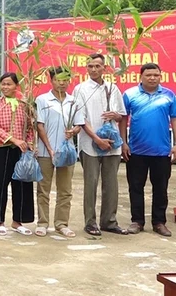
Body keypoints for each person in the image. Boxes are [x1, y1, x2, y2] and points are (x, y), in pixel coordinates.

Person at [121, 63, 176, 237]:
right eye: (148, 75)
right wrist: (123, 142)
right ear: (141, 76)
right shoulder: (130, 94)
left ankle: (159, 222)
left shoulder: (168, 95)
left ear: (160, 76)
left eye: (156, 75)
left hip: (161, 152)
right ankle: (137, 221)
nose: (152, 78)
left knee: (161, 188)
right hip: (136, 151)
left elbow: (175, 119)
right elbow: (123, 119)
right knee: (135, 187)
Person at [75, 53, 128, 236]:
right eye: (90, 66)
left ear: (105, 68)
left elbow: (122, 115)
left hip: (112, 144)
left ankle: (109, 221)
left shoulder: (113, 88)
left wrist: (116, 116)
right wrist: (96, 139)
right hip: (90, 144)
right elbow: (80, 119)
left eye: (97, 66)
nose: (94, 69)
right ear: (86, 68)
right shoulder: (80, 89)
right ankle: (90, 222)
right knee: (91, 183)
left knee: (111, 184)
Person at [35, 66, 85, 238]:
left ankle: (62, 223)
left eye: (65, 80)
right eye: (58, 79)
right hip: (45, 152)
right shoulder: (42, 100)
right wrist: (49, 149)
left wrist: (74, 131)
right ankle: (42, 223)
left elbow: (79, 124)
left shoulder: (74, 102)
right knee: (43, 188)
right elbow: (40, 125)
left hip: (67, 152)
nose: (61, 83)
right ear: (51, 80)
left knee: (65, 190)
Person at [0, 72, 35, 236]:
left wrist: (29, 143)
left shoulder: (24, 104)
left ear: (16, 86)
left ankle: (18, 221)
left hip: (21, 149)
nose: (5, 87)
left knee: (22, 184)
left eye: (9, 84)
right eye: (3, 84)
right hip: (2, 148)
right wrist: (13, 139)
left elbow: (29, 127)